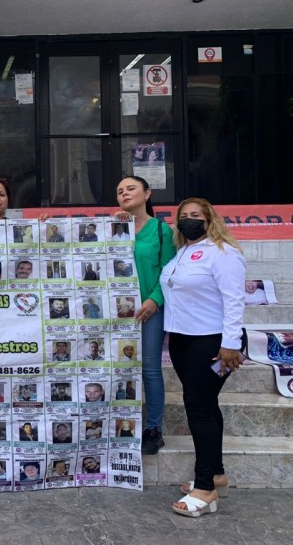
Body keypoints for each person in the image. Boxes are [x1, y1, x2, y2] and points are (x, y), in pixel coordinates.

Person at [161, 197, 245, 517]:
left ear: (210, 220)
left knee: (198, 408)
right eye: (183, 216)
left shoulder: (223, 253)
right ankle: (217, 474)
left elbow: (234, 300)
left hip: (211, 342)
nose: (189, 220)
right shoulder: (181, 253)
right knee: (206, 405)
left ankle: (205, 488)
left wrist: (231, 344)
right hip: (182, 341)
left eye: (196, 215)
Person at [116, 176, 177, 455]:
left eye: (131, 188)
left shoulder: (162, 230)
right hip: (116, 314)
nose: (124, 193)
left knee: (150, 370)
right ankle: (117, 424)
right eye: (120, 191)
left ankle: (154, 429)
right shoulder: (115, 228)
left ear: (147, 193)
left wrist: (154, 300)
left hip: (150, 311)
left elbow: (168, 271)